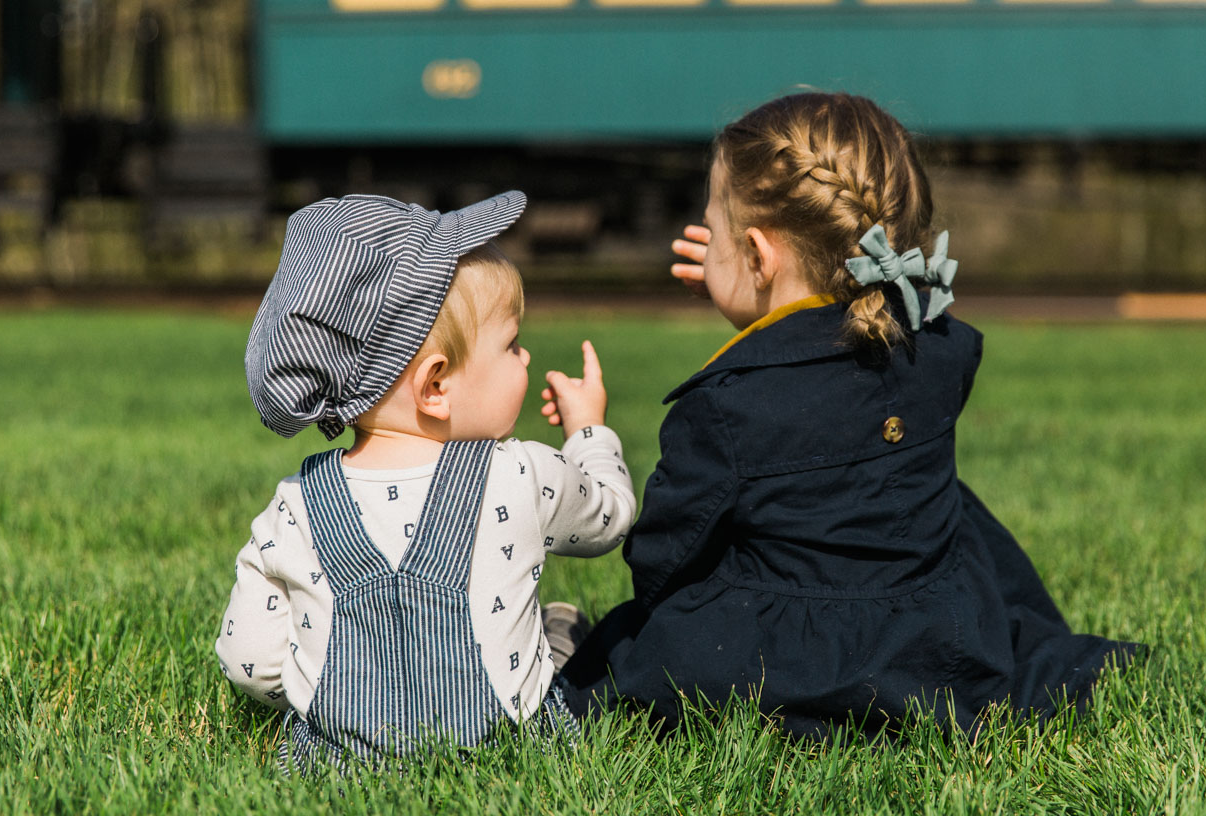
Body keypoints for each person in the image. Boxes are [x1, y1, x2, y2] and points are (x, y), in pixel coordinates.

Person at [558, 92, 1142, 738]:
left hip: (784, 668)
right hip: (937, 647)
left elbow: (661, 563)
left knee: (623, 654)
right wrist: (758, 308)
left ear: (758, 256)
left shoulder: (723, 405)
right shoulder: (930, 351)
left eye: (714, 231)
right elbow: (817, 360)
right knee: (951, 505)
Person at [218, 191, 636, 769]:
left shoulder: (294, 508)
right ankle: (557, 630)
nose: (525, 356)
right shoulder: (519, 472)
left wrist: (321, 693)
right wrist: (589, 429)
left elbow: (249, 660)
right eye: (511, 343)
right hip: (514, 759)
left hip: (338, 766)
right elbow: (611, 517)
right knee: (565, 655)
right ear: (435, 386)